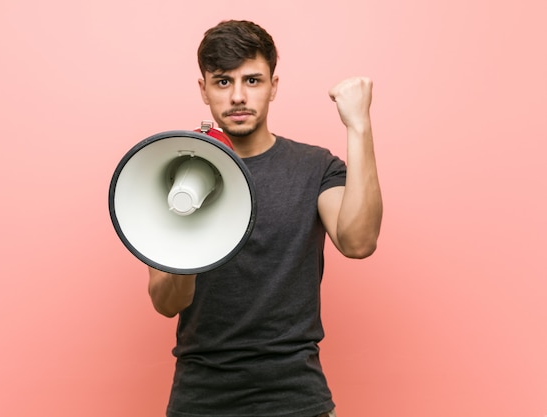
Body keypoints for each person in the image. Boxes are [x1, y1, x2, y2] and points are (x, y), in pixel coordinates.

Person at [147, 20, 383, 417]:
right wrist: (185, 217)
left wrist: (359, 126)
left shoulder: (315, 167)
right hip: (200, 400)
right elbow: (166, 302)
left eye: (252, 80)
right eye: (223, 82)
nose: (238, 96)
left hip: (296, 399)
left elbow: (358, 242)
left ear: (274, 85)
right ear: (203, 90)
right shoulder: (169, 169)